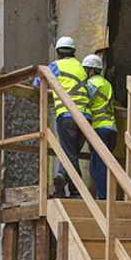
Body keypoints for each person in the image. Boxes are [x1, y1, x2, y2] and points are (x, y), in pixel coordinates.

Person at [34, 36, 91, 198]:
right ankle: (73, 189)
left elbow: (37, 84)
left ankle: (62, 177)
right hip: (85, 116)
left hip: (67, 115)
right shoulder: (81, 68)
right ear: (74, 52)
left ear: (58, 52)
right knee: (72, 152)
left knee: (68, 152)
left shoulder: (56, 66)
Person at [82, 54, 117, 199]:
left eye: (85, 69)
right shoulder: (107, 84)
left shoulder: (92, 83)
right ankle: (106, 197)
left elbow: (83, 100)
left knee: (98, 167)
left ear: (91, 70)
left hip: (99, 128)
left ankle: (103, 199)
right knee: (104, 164)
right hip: (111, 128)